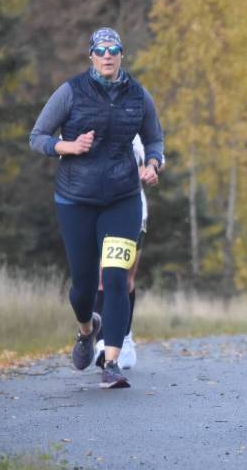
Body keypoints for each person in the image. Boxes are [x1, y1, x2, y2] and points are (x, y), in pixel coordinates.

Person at [30, 28, 164, 389]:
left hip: (123, 198)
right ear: (91, 55)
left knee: (118, 278)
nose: (107, 55)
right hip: (76, 200)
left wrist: (153, 164)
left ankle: (112, 362)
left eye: (114, 50)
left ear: (122, 54)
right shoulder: (71, 91)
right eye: (100, 50)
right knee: (83, 287)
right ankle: (87, 329)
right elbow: (37, 136)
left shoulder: (138, 95)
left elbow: (154, 138)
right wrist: (68, 147)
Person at [94, 134, 148, 370]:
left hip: (133, 209)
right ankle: (102, 342)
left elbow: (157, 158)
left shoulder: (136, 120)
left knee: (125, 279)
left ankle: (124, 337)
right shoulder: (83, 114)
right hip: (94, 207)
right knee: (102, 278)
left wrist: (149, 169)